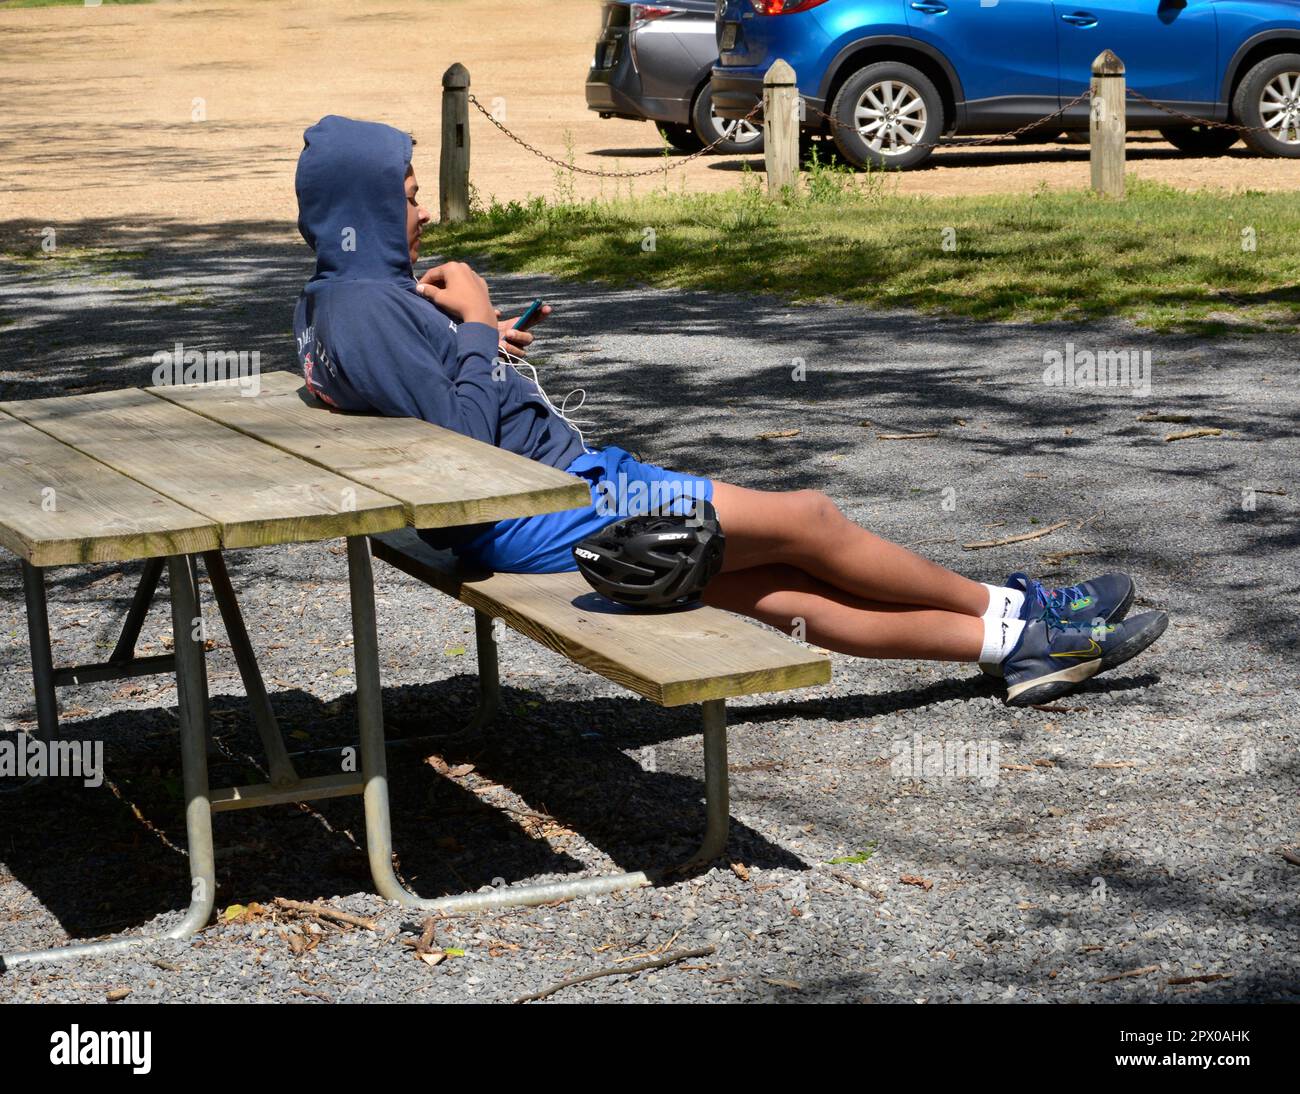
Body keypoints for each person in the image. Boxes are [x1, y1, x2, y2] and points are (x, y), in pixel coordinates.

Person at [292, 115, 1167, 707]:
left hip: (547, 500)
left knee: (774, 590)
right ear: (364, 203)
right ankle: (1025, 614)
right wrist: (479, 321)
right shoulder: (370, 304)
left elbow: (381, 390)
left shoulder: (338, 298)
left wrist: (468, 349)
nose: (419, 206)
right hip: (554, 508)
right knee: (809, 518)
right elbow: (462, 442)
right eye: (405, 192)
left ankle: (1009, 651)